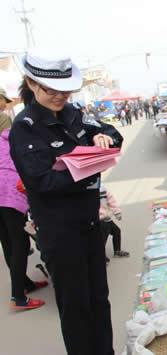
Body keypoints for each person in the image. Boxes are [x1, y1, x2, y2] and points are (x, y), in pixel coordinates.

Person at [9, 52, 122, 355]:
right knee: (75, 306)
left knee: (99, 298)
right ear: (32, 84)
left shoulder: (74, 112)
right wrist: (84, 171)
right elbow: (40, 182)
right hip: (59, 231)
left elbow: (113, 134)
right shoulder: (25, 127)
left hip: (89, 222)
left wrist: (103, 141)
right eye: (51, 90)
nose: (60, 97)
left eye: (65, 90)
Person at [0, 128, 48, 310]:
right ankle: (18, 297)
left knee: (7, 242)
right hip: (10, 192)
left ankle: (24, 284)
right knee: (20, 243)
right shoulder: (20, 136)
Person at [99, 186, 129, 262]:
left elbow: (111, 201)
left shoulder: (103, 189)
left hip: (107, 217)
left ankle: (117, 250)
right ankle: (100, 256)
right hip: (99, 220)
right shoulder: (87, 191)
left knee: (117, 231)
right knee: (102, 239)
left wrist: (117, 212)